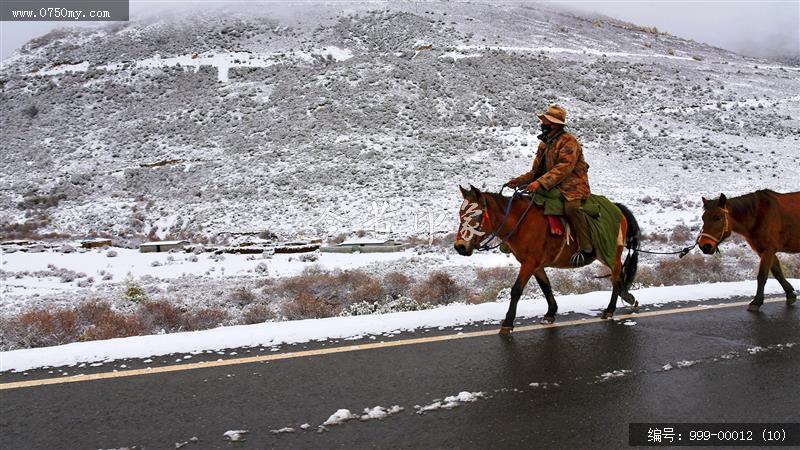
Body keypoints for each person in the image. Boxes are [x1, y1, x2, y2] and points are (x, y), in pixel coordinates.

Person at [507, 105, 594, 266]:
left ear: (555, 124)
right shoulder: (544, 144)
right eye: (544, 121)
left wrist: (539, 183)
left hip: (572, 187)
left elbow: (563, 168)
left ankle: (586, 247)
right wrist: (518, 181)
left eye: (546, 121)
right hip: (551, 186)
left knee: (571, 209)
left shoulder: (570, 142)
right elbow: (535, 171)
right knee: (524, 203)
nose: (543, 123)